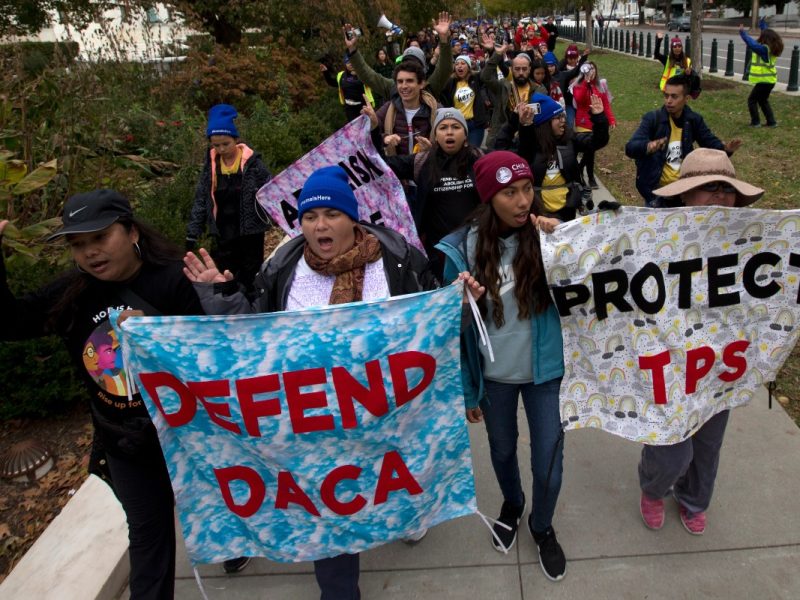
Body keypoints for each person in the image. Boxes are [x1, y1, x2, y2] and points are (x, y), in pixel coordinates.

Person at [184, 165, 480, 600]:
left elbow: (430, 323)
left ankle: (405, 516)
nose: (320, 225)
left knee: (392, 485)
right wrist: (221, 294)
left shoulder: (397, 260)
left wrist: (458, 299)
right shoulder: (282, 270)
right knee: (333, 510)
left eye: (331, 214)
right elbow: (252, 341)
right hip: (317, 422)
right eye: (309, 216)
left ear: (353, 218)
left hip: (387, 413)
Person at [0, 190, 205, 599]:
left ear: (130, 232)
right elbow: (9, 323)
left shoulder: (174, 279)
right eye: (78, 244)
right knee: (148, 539)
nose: (90, 252)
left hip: (189, 438)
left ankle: (228, 549)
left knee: (213, 515)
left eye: (100, 237)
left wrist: (161, 333)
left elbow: (216, 358)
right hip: (127, 444)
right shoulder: (71, 294)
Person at [436, 151, 568, 582]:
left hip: (545, 374)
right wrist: (462, 304)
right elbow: (446, 331)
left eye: (527, 189)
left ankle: (541, 525)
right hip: (495, 378)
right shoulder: (462, 250)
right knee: (503, 449)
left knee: (549, 457)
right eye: (509, 193)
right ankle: (512, 505)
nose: (522, 201)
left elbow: (586, 288)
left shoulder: (549, 237)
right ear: (489, 196)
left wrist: (563, 243)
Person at [638, 147, 764, 535]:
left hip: (721, 361)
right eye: (708, 188)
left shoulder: (754, 242)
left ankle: (694, 499)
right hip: (669, 360)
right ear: (683, 194)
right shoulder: (650, 238)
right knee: (673, 443)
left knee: (708, 445)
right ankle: (654, 487)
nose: (719, 197)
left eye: (725, 189)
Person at [383, 108, 483, 277]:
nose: (449, 132)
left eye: (455, 127)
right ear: (435, 135)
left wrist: (523, 126)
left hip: (477, 247)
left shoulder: (480, 160)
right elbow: (379, 164)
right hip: (438, 252)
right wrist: (380, 138)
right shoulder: (422, 161)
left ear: (465, 135)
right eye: (443, 127)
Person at [186, 104, 272, 293]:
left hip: (250, 231)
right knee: (226, 270)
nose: (221, 149)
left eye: (226, 144)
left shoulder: (253, 164)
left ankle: (253, 301)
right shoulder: (212, 165)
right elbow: (202, 196)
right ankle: (231, 301)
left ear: (235, 139)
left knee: (251, 270)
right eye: (216, 145)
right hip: (223, 230)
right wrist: (193, 230)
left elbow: (272, 188)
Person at [624, 74, 742, 208]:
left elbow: (709, 143)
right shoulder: (652, 119)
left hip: (684, 191)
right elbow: (630, 147)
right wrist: (648, 146)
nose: (668, 100)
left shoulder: (693, 120)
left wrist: (726, 149)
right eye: (666, 95)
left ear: (686, 99)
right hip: (656, 194)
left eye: (674, 96)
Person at [514, 93, 610, 221]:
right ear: (545, 123)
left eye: (563, 116)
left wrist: (599, 119)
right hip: (538, 213)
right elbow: (521, 153)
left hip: (567, 210)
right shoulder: (528, 144)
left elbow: (597, 141)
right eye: (558, 117)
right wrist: (524, 126)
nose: (563, 121)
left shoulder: (570, 139)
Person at [344, 12, 454, 100]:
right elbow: (367, 75)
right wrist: (353, 50)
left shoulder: (429, 88)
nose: (404, 86)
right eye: (400, 81)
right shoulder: (392, 88)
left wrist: (444, 40)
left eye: (410, 80)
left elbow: (446, 68)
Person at [480, 36, 534, 149]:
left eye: (524, 69)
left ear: (530, 69)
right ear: (512, 69)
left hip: (526, 139)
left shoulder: (538, 90)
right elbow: (485, 77)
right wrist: (496, 54)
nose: (520, 73)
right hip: (501, 137)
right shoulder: (503, 86)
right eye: (517, 69)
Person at [570, 61, 615, 189]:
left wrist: (611, 120)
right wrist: (586, 82)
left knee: (591, 149)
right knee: (589, 149)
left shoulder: (600, 86)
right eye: (589, 69)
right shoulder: (578, 85)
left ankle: (581, 168)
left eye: (593, 69)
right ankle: (590, 176)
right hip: (583, 121)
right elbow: (579, 99)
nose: (592, 72)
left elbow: (605, 104)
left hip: (597, 123)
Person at [739, 24, 783, 127]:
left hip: (764, 80)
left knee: (752, 100)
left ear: (765, 38)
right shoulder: (771, 48)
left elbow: (752, 44)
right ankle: (771, 122)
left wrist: (742, 33)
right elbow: (765, 34)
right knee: (763, 101)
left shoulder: (764, 50)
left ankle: (756, 122)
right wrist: (763, 25)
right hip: (770, 80)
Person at [440, 55, 489, 147]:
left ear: (469, 67)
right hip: (457, 124)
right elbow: (441, 95)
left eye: (463, 63)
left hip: (475, 125)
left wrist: (491, 52)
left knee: (472, 153)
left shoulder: (476, 79)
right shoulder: (450, 82)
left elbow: (488, 71)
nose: (459, 66)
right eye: (457, 64)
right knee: (458, 153)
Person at [320, 54, 375, 122]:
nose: (351, 64)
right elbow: (332, 83)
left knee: (366, 129)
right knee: (354, 130)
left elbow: (373, 82)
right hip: (349, 108)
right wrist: (325, 72)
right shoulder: (341, 75)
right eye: (348, 62)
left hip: (363, 106)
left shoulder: (362, 73)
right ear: (345, 64)